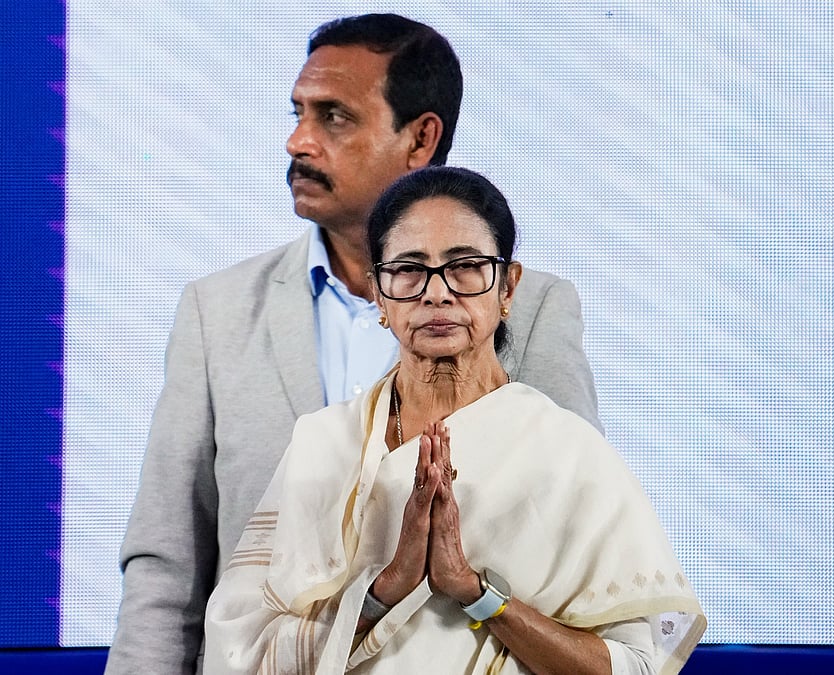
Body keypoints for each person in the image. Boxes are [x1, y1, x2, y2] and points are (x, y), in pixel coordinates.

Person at [107, 15, 601, 674]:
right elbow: (165, 574)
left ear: (421, 138)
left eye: (334, 117)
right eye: (298, 113)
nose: (298, 140)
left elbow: (582, 552)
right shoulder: (217, 312)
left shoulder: (531, 308)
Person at [203, 166, 704, 674]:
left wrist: (475, 592)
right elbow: (242, 649)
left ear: (508, 288)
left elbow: (635, 667)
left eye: (465, 266)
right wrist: (385, 589)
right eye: (409, 269)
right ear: (377, 291)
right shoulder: (324, 446)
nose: (437, 293)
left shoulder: (569, 453)